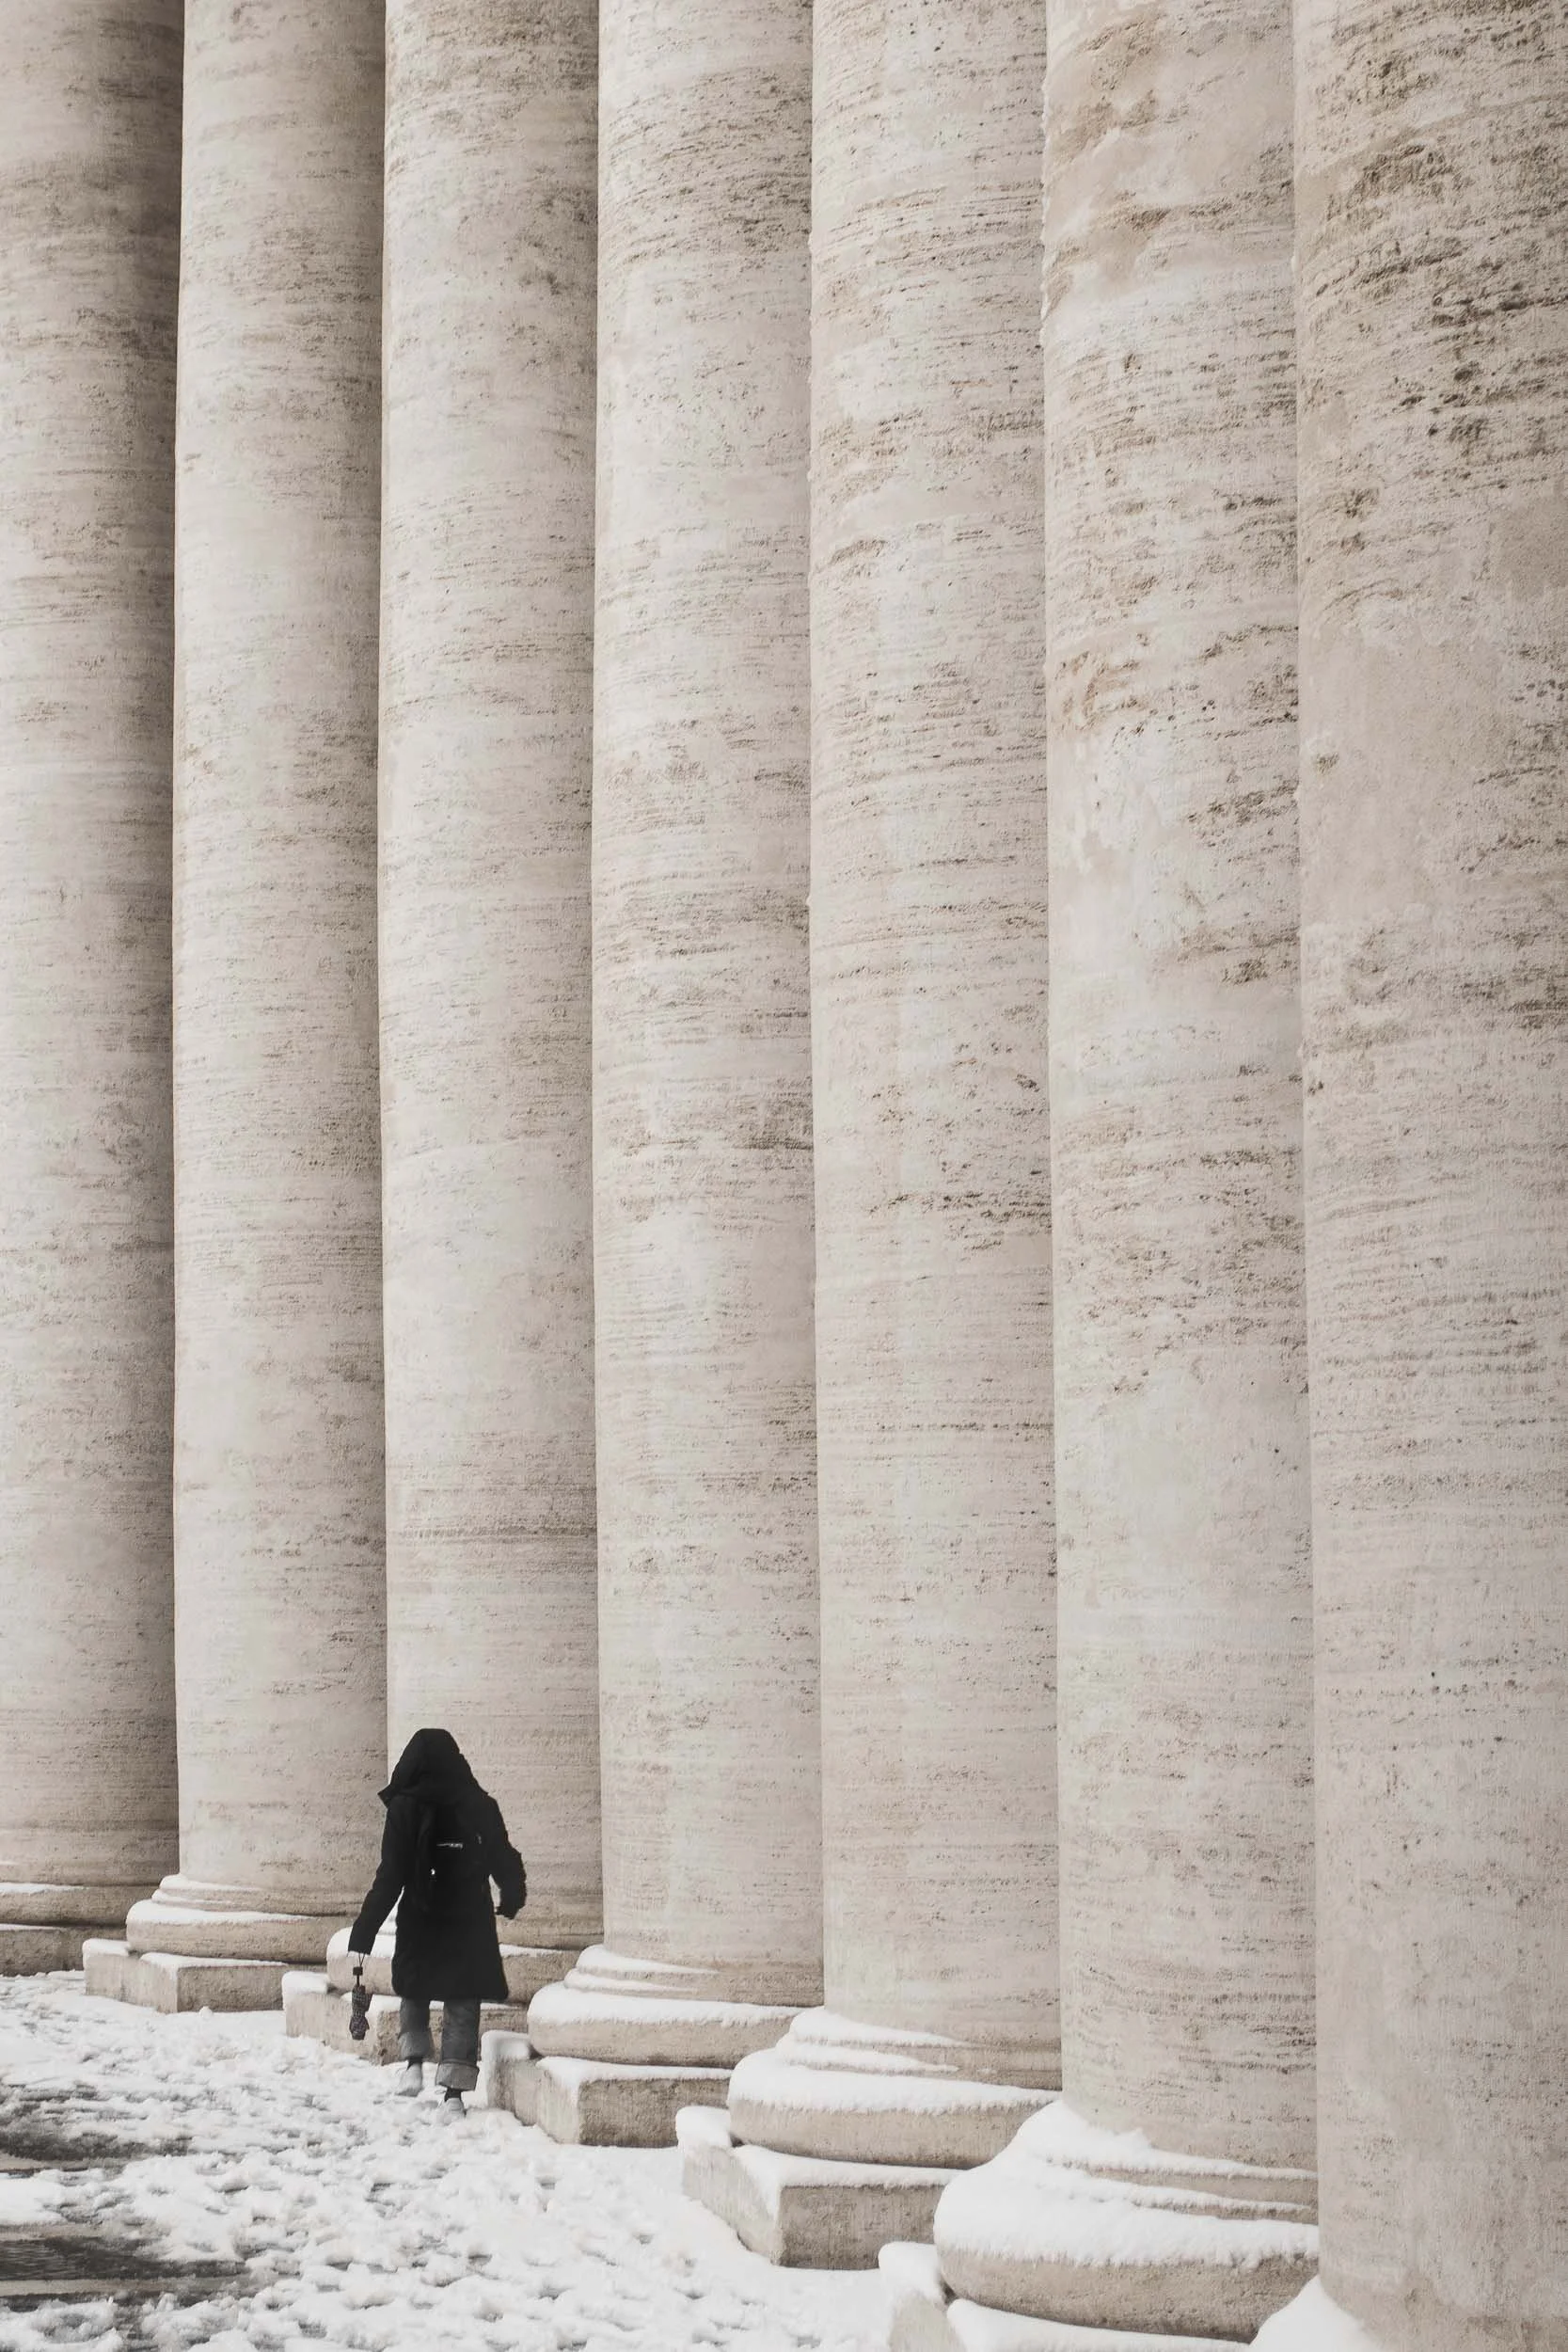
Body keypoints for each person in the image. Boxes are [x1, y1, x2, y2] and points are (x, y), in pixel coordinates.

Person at [347, 1727, 527, 2111]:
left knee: (415, 1987)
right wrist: (512, 1894)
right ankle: (454, 2094)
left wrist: (365, 1930)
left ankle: (412, 2064)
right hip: (469, 1915)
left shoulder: (404, 1807)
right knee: (462, 1997)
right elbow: (502, 1854)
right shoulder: (478, 1803)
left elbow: (391, 1873)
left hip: (422, 1910)